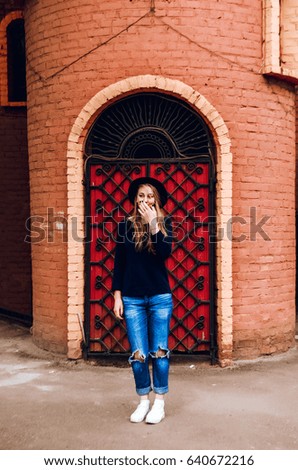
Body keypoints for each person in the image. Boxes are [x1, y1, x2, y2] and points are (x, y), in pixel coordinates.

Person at [112, 177, 173, 424]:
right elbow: (119, 263)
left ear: (156, 200)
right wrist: (117, 296)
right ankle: (143, 401)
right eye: (141, 195)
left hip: (159, 297)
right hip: (132, 298)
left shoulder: (165, 223)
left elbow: (165, 253)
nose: (145, 200)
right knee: (138, 354)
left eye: (150, 196)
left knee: (159, 353)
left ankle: (159, 402)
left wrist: (153, 226)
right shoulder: (124, 226)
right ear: (135, 199)